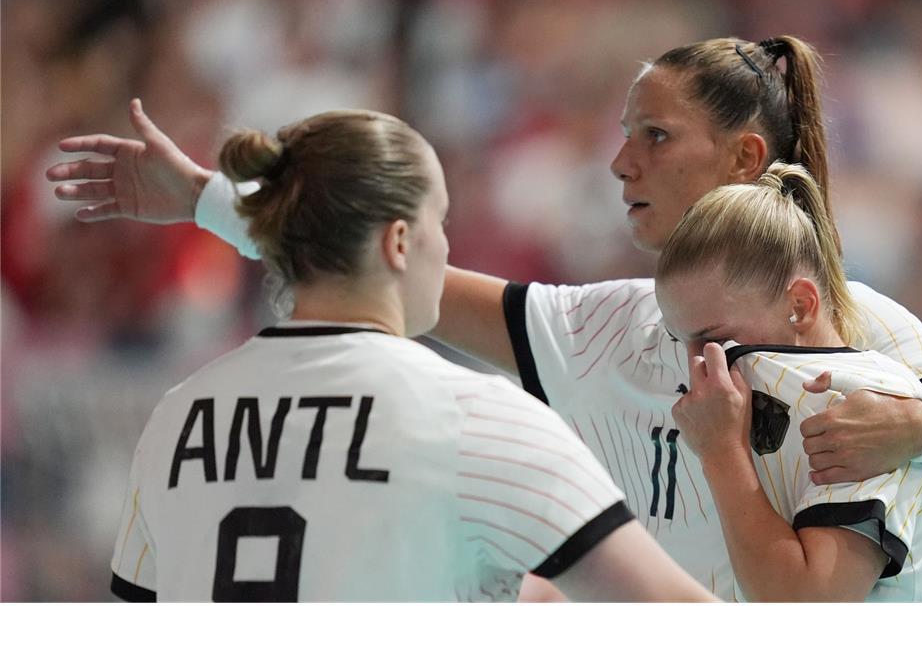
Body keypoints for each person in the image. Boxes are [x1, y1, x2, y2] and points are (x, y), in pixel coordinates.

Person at [49, 36, 922, 601]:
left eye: (655, 137)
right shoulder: (597, 326)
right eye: (622, 136)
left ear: (746, 160)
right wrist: (208, 202)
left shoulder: (848, 326)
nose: (621, 163)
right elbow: (382, 276)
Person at [101, 103, 715, 601]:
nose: (446, 251)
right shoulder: (477, 417)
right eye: (440, 223)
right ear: (399, 240)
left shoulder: (179, 416)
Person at [658, 162, 922, 601]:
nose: (699, 367)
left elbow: (805, 605)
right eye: (681, 341)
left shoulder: (857, 402)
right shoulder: (766, 395)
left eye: (715, 339)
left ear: (800, 306)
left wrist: (720, 452)